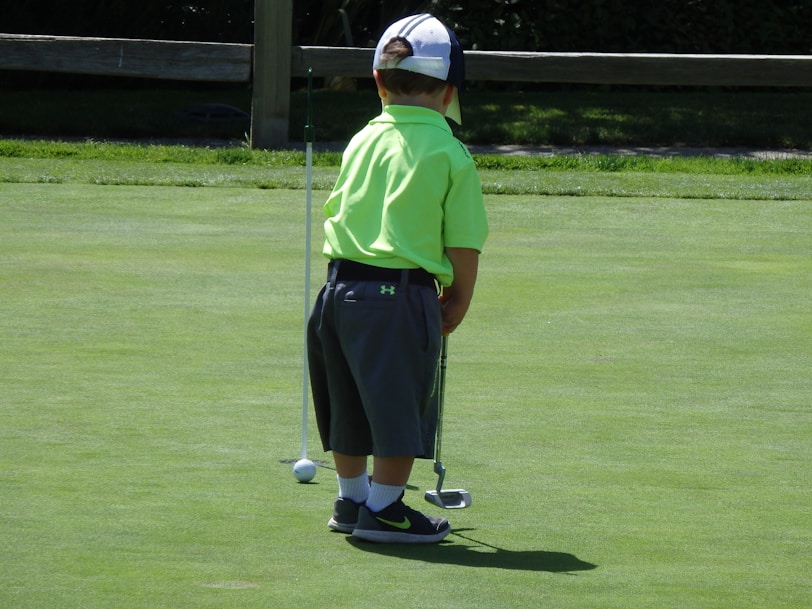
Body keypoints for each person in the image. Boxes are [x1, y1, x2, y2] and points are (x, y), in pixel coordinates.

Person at [306, 13, 488, 544]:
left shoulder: (362, 139)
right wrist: (459, 299)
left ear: (379, 81)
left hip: (337, 291)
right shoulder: (451, 153)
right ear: (451, 90)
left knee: (347, 402)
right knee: (398, 407)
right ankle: (385, 509)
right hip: (400, 296)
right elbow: (463, 241)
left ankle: (351, 499)